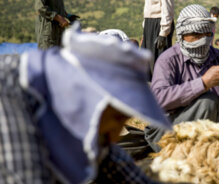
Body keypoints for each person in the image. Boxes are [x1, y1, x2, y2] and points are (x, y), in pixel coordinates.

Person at [0, 23, 171, 183]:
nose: (116, 135)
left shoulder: (83, 111)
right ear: (94, 98)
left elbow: (118, 167)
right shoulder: (10, 95)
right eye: (118, 118)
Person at [144, 4, 219, 152]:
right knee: (207, 101)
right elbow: (158, 100)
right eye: (196, 35)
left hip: (210, 133)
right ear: (182, 35)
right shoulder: (168, 59)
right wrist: (203, 83)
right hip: (166, 132)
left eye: (207, 35)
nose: (203, 40)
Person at [137, 0, 175, 78]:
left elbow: (167, 9)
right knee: (147, 59)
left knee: (159, 58)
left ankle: (162, 88)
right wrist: (145, 31)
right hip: (149, 24)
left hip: (160, 24)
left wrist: (163, 33)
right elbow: (148, 9)